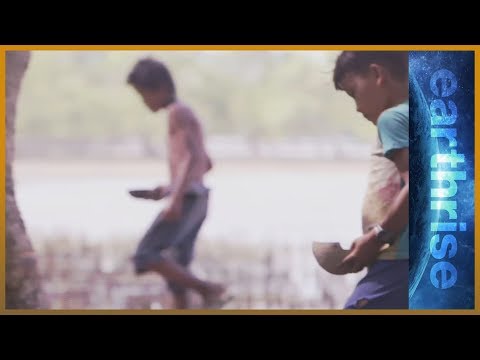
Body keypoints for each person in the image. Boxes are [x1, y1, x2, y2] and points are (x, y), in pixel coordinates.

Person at [126, 57, 227, 309]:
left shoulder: (177, 113)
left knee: (145, 254)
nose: (144, 102)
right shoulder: (185, 113)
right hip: (199, 197)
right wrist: (167, 189)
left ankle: (210, 290)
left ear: (159, 88)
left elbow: (191, 157)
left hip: (189, 197)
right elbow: (205, 163)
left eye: (143, 95)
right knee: (177, 271)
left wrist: (176, 198)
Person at [333, 51, 409, 309]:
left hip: (402, 257)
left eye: (353, 92)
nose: (356, 107)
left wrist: (378, 236)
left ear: (378, 74)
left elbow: (423, 186)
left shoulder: (393, 119)